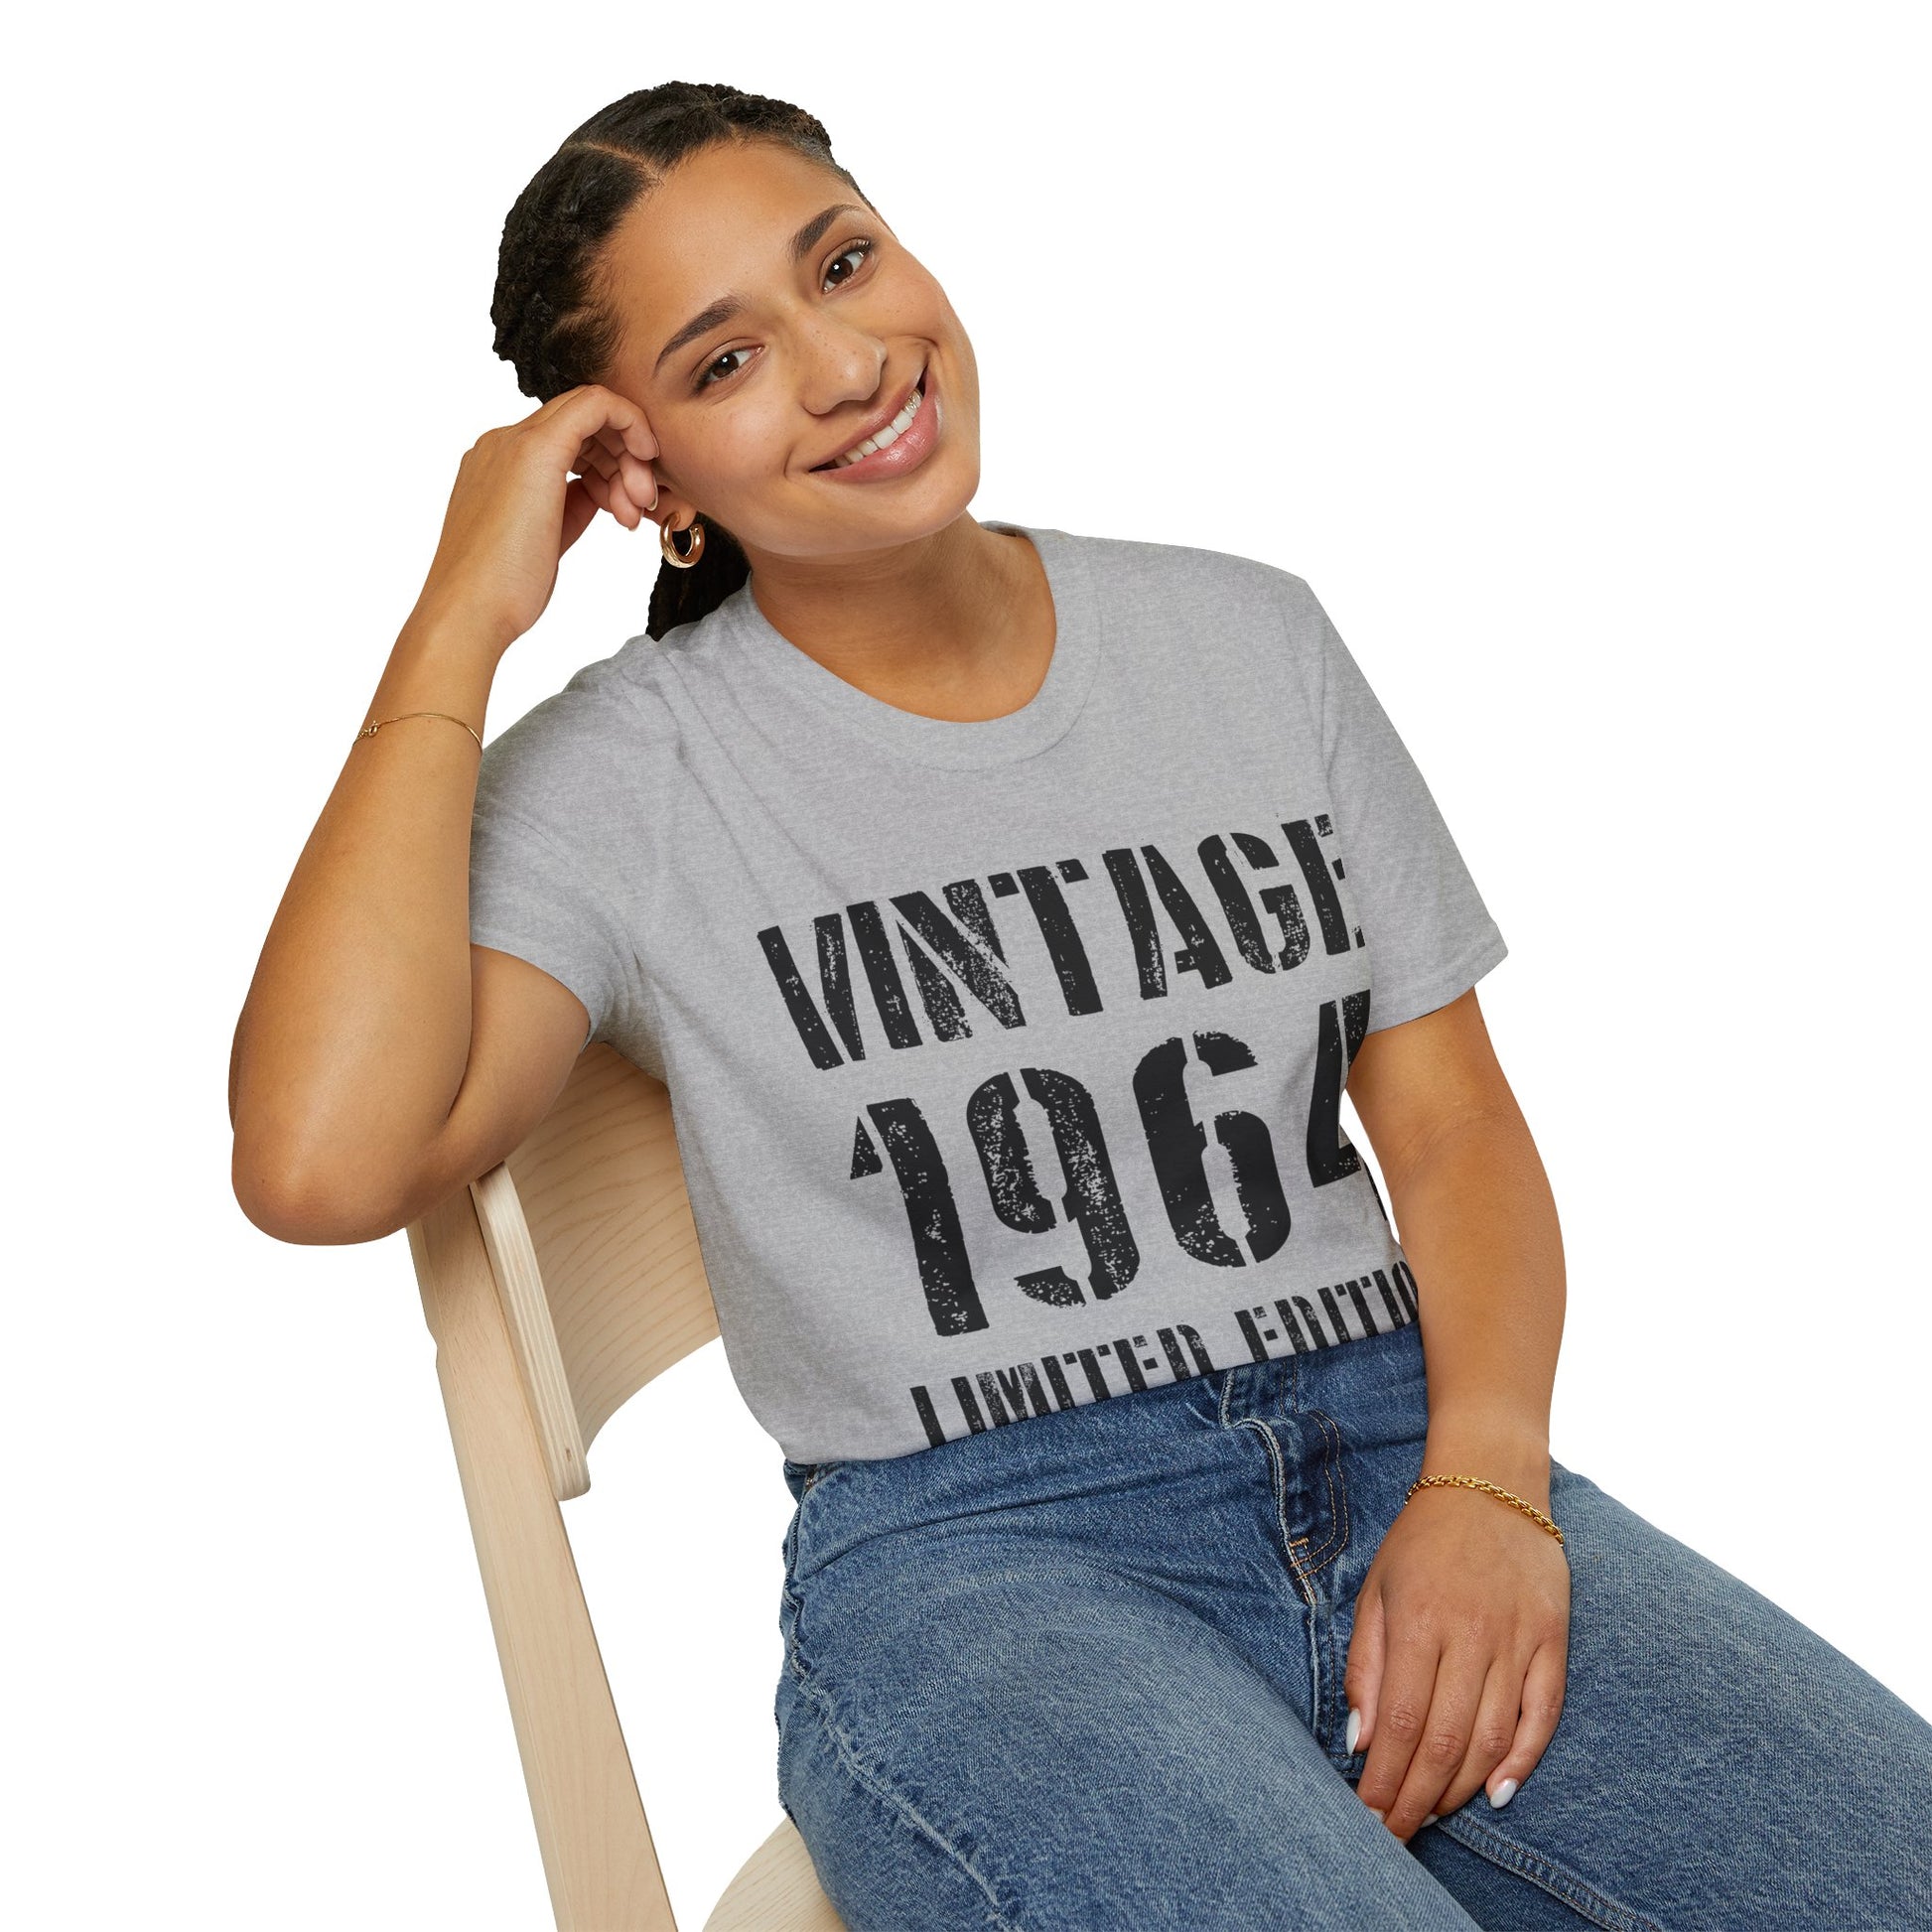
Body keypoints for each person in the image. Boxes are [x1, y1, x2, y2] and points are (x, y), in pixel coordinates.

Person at [228, 80, 1932, 1931]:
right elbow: (319, 1161)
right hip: (985, 1564)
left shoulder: (1250, 640)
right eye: (726, 361)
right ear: (650, 481)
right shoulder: (632, 777)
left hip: (1405, 1442)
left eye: (843, 264)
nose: (846, 365)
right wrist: (457, 618)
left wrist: (1489, 1483)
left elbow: (1450, 1129)